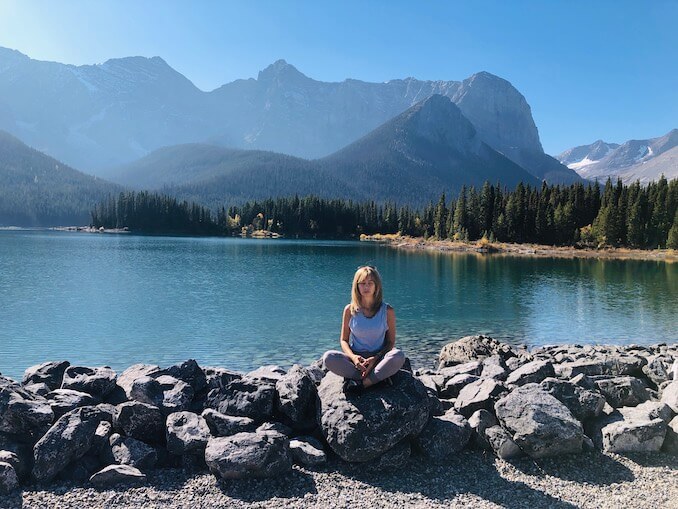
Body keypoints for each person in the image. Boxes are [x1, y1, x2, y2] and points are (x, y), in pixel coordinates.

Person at [322, 265, 406, 393]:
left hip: (379, 359)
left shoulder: (387, 311)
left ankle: (362, 384)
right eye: (362, 283)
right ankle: (376, 378)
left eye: (370, 283)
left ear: (376, 286)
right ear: (356, 286)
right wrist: (354, 358)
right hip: (356, 362)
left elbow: (390, 342)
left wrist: (376, 358)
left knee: (398, 355)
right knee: (328, 357)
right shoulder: (349, 310)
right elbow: (344, 340)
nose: (366, 287)